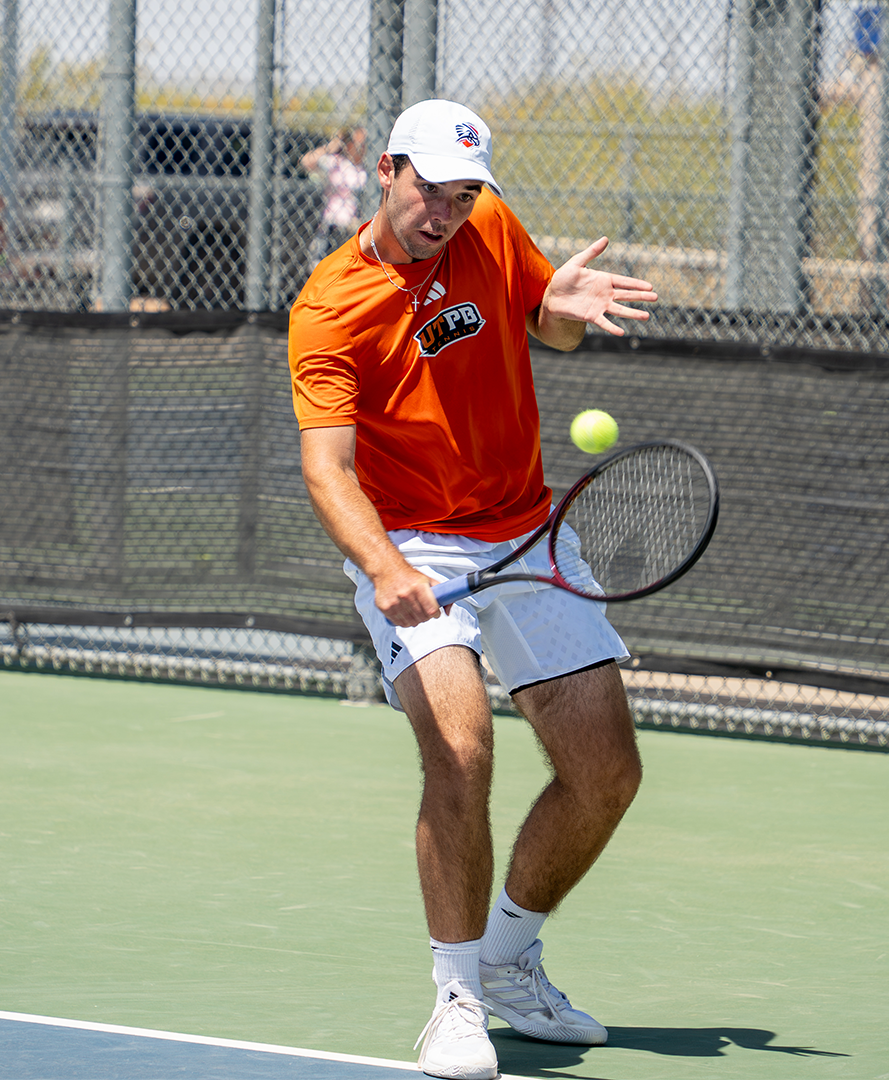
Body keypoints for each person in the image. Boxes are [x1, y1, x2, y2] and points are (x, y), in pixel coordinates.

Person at [287, 99, 657, 1080]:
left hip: (524, 529)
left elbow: (547, 321)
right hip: (413, 547)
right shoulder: (330, 304)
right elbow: (327, 469)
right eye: (428, 188)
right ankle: (455, 1000)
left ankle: (505, 962)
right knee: (460, 744)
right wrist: (387, 568)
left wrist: (563, 318)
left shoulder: (488, 227)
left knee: (607, 773)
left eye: (462, 193)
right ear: (388, 170)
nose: (444, 211)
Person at [300, 126, 368, 267]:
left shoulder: (370, 169)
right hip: (332, 226)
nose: (359, 147)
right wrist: (332, 145)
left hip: (355, 230)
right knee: (321, 269)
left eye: (363, 143)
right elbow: (306, 162)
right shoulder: (337, 163)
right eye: (355, 143)